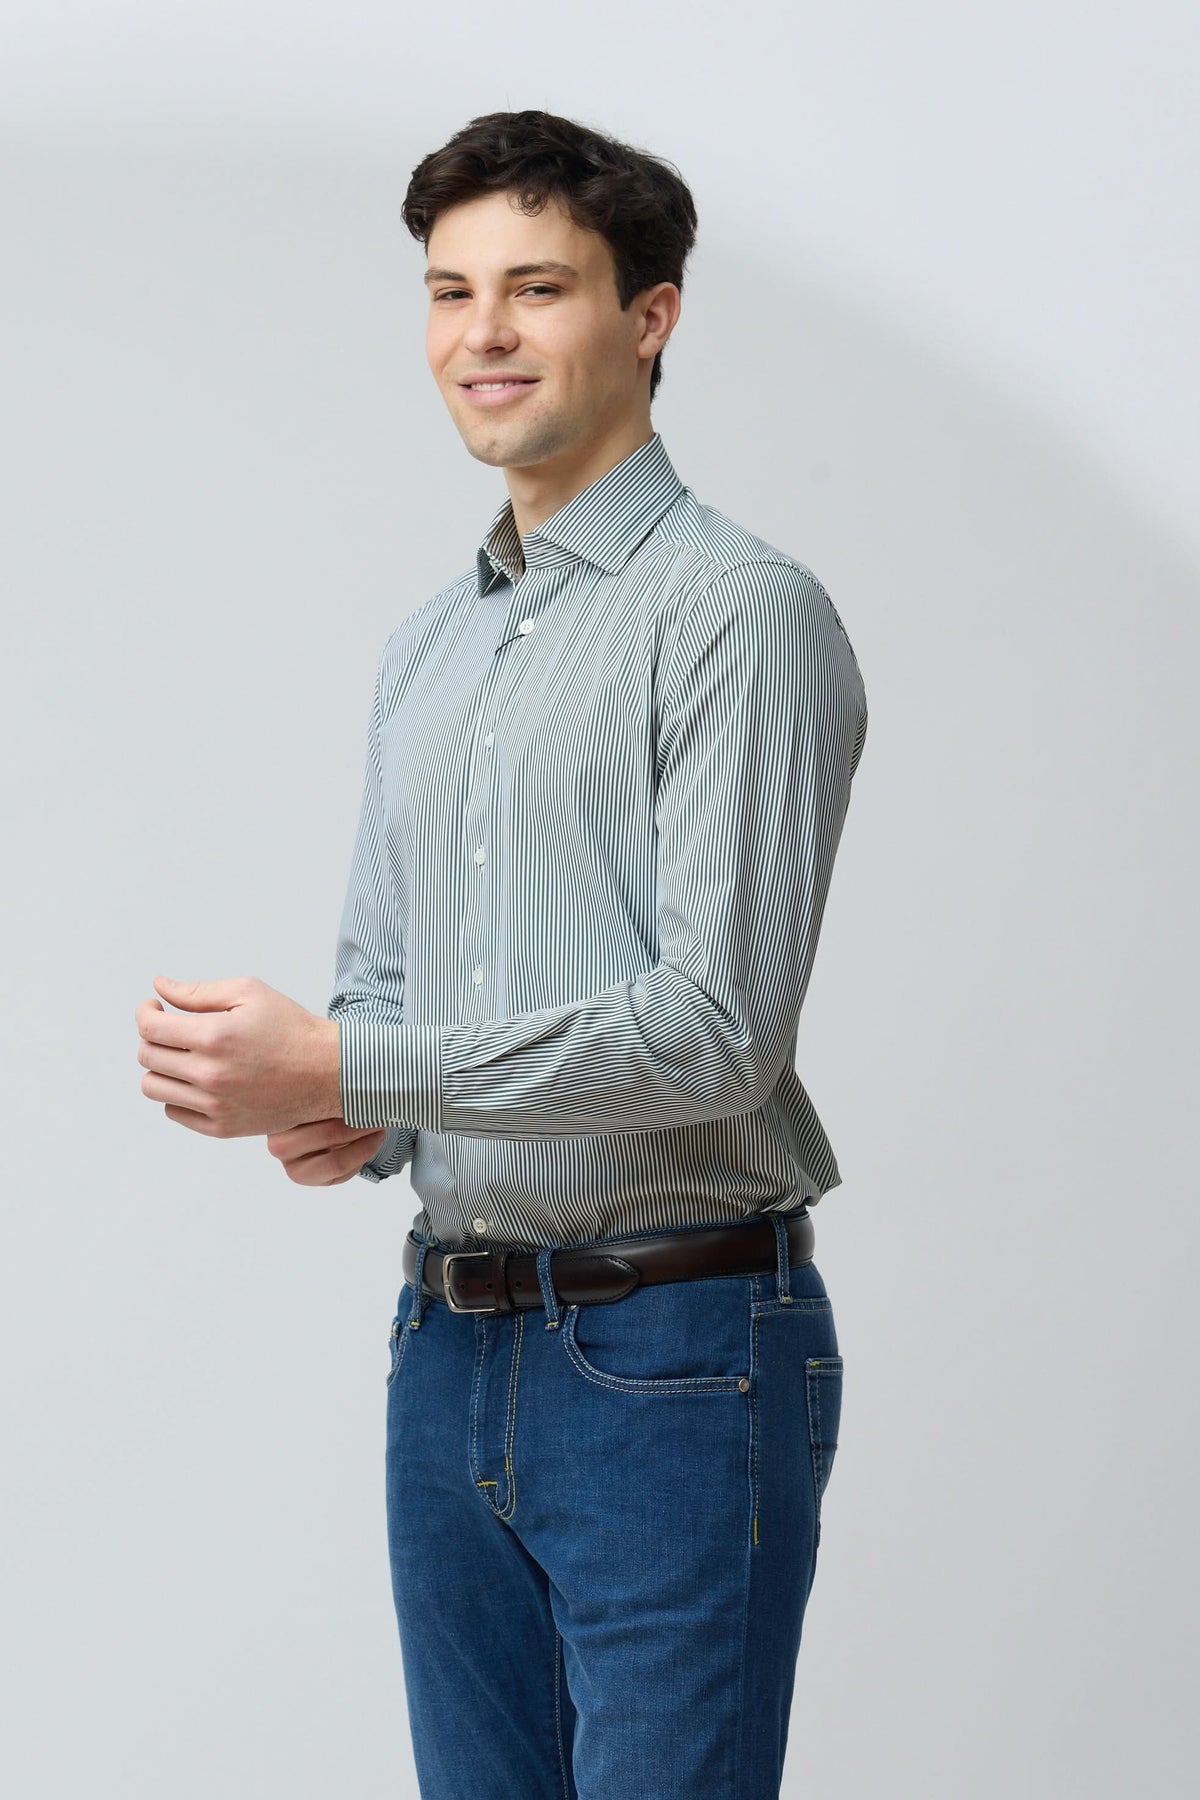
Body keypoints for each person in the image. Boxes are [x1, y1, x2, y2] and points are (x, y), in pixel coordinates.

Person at [134, 107, 868, 1800]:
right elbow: (383, 989)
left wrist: (355, 1062)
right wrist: (343, 1109)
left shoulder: (738, 611)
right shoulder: (427, 652)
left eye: (538, 287)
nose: (483, 333)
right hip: (449, 1346)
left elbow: (717, 1031)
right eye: (449, 291)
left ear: (650, 315)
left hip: (676, 1353)